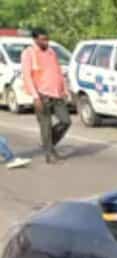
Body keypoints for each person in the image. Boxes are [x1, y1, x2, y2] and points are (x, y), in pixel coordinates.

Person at [20, 28, 70, 164]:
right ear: (35, 39)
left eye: (47, 39)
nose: (46, 42)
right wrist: (35, 97)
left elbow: (58, 72)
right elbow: (27, 76)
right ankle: (49, 154)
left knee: (66, 121)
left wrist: (64, 89)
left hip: (57, 93)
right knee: (45, 125)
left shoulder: (51, 52)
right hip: (42, 95)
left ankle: (48, 143)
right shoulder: (28, 53)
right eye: (43, 39)